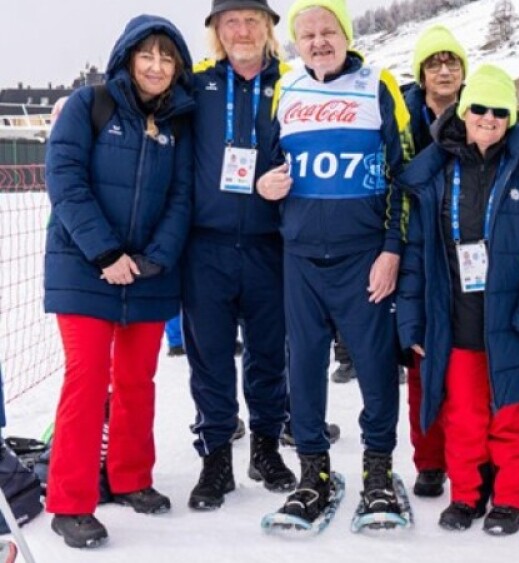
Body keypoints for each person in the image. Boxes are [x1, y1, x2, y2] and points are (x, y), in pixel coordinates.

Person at [396, 64, 519, 536]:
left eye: (501, 111)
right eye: (480, 108)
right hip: (455, 318)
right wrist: (413, 322)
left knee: (512, 418)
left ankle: (512, 498)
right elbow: (416, 251)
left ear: (512, 117)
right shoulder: (437, 168)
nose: (489, 118)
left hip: (515, 320)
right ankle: (468, 494)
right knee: (465, 417)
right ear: (465, 109)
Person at [256, 0, 411, 528]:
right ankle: (313, 472)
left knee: (373, 365)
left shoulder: (377, 84)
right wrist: (264, 185)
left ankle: (377, 469)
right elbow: (262, 165)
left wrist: (392, 249)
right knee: (302, 367)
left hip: (363, 256)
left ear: (345, 35)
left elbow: (403, 174)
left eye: (329, 30)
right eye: (308, 33)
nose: (319, 41)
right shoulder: (286, 88)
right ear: (296, 42)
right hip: (300, 257)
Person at [43, 14, 195, 548]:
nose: (156, 66)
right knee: (87, 382)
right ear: (129, 58)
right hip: (85, 267)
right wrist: (105, 252)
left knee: (137, 381)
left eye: (167, 57)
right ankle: (69, 501)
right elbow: (64, 178)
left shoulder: (179, 122)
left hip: (148, 275)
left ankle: (132, 478)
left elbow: (182, 198)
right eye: (147, 55)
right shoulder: (90, 105)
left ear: (177, 66)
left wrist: (156, 257)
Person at [184, 0, 296, 512]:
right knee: (209, 355)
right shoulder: (196, 85)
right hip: (205, 244)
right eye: (231, 21)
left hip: (268, 244)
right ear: (216, 31)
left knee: (269, 353)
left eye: (253, 19)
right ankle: (215, 459)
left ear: (269, 27)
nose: (243, 29)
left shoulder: (292, 85)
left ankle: (266, 447)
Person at [397, 22, 469, 499]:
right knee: (420, 358)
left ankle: (468, 456)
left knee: (465, 365)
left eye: (451, 61)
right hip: (411, 248)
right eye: (434, 62)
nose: (444, 70)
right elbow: (398, 176)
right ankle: (429, 461)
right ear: (421, 74)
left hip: (466, 251)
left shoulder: (481, 112)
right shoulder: (401, 119)